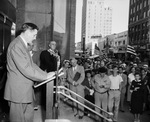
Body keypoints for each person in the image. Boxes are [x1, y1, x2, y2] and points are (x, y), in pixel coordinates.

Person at [4, 23, 56, 122]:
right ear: (27, 32)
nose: (34, 38)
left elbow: (32, 65)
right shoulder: (16, 45)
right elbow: (26, 68)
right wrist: (45, 76)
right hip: (18, 93)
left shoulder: (23, 45)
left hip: (25, 91)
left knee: (28, 118)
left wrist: (45, 74)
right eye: (34, 35)